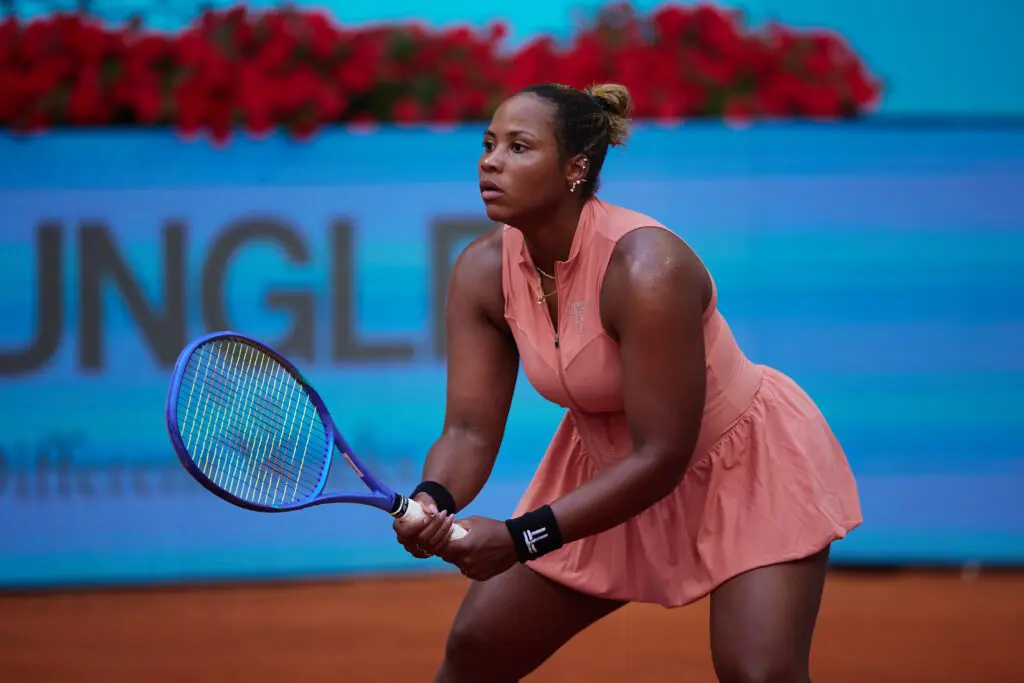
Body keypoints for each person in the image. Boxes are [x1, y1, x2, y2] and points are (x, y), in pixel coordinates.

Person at [393, 81, 862, 683]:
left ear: (574, 168)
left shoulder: (645, 268)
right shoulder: (484, 272)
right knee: (478, 647)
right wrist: (435, 499)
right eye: (488, 144)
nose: (490, 160)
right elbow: (467, 431)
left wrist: (520, 537)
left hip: (736, 466)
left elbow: (664, 454)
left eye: (518, 147)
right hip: (606, 470)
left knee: (759, 672)